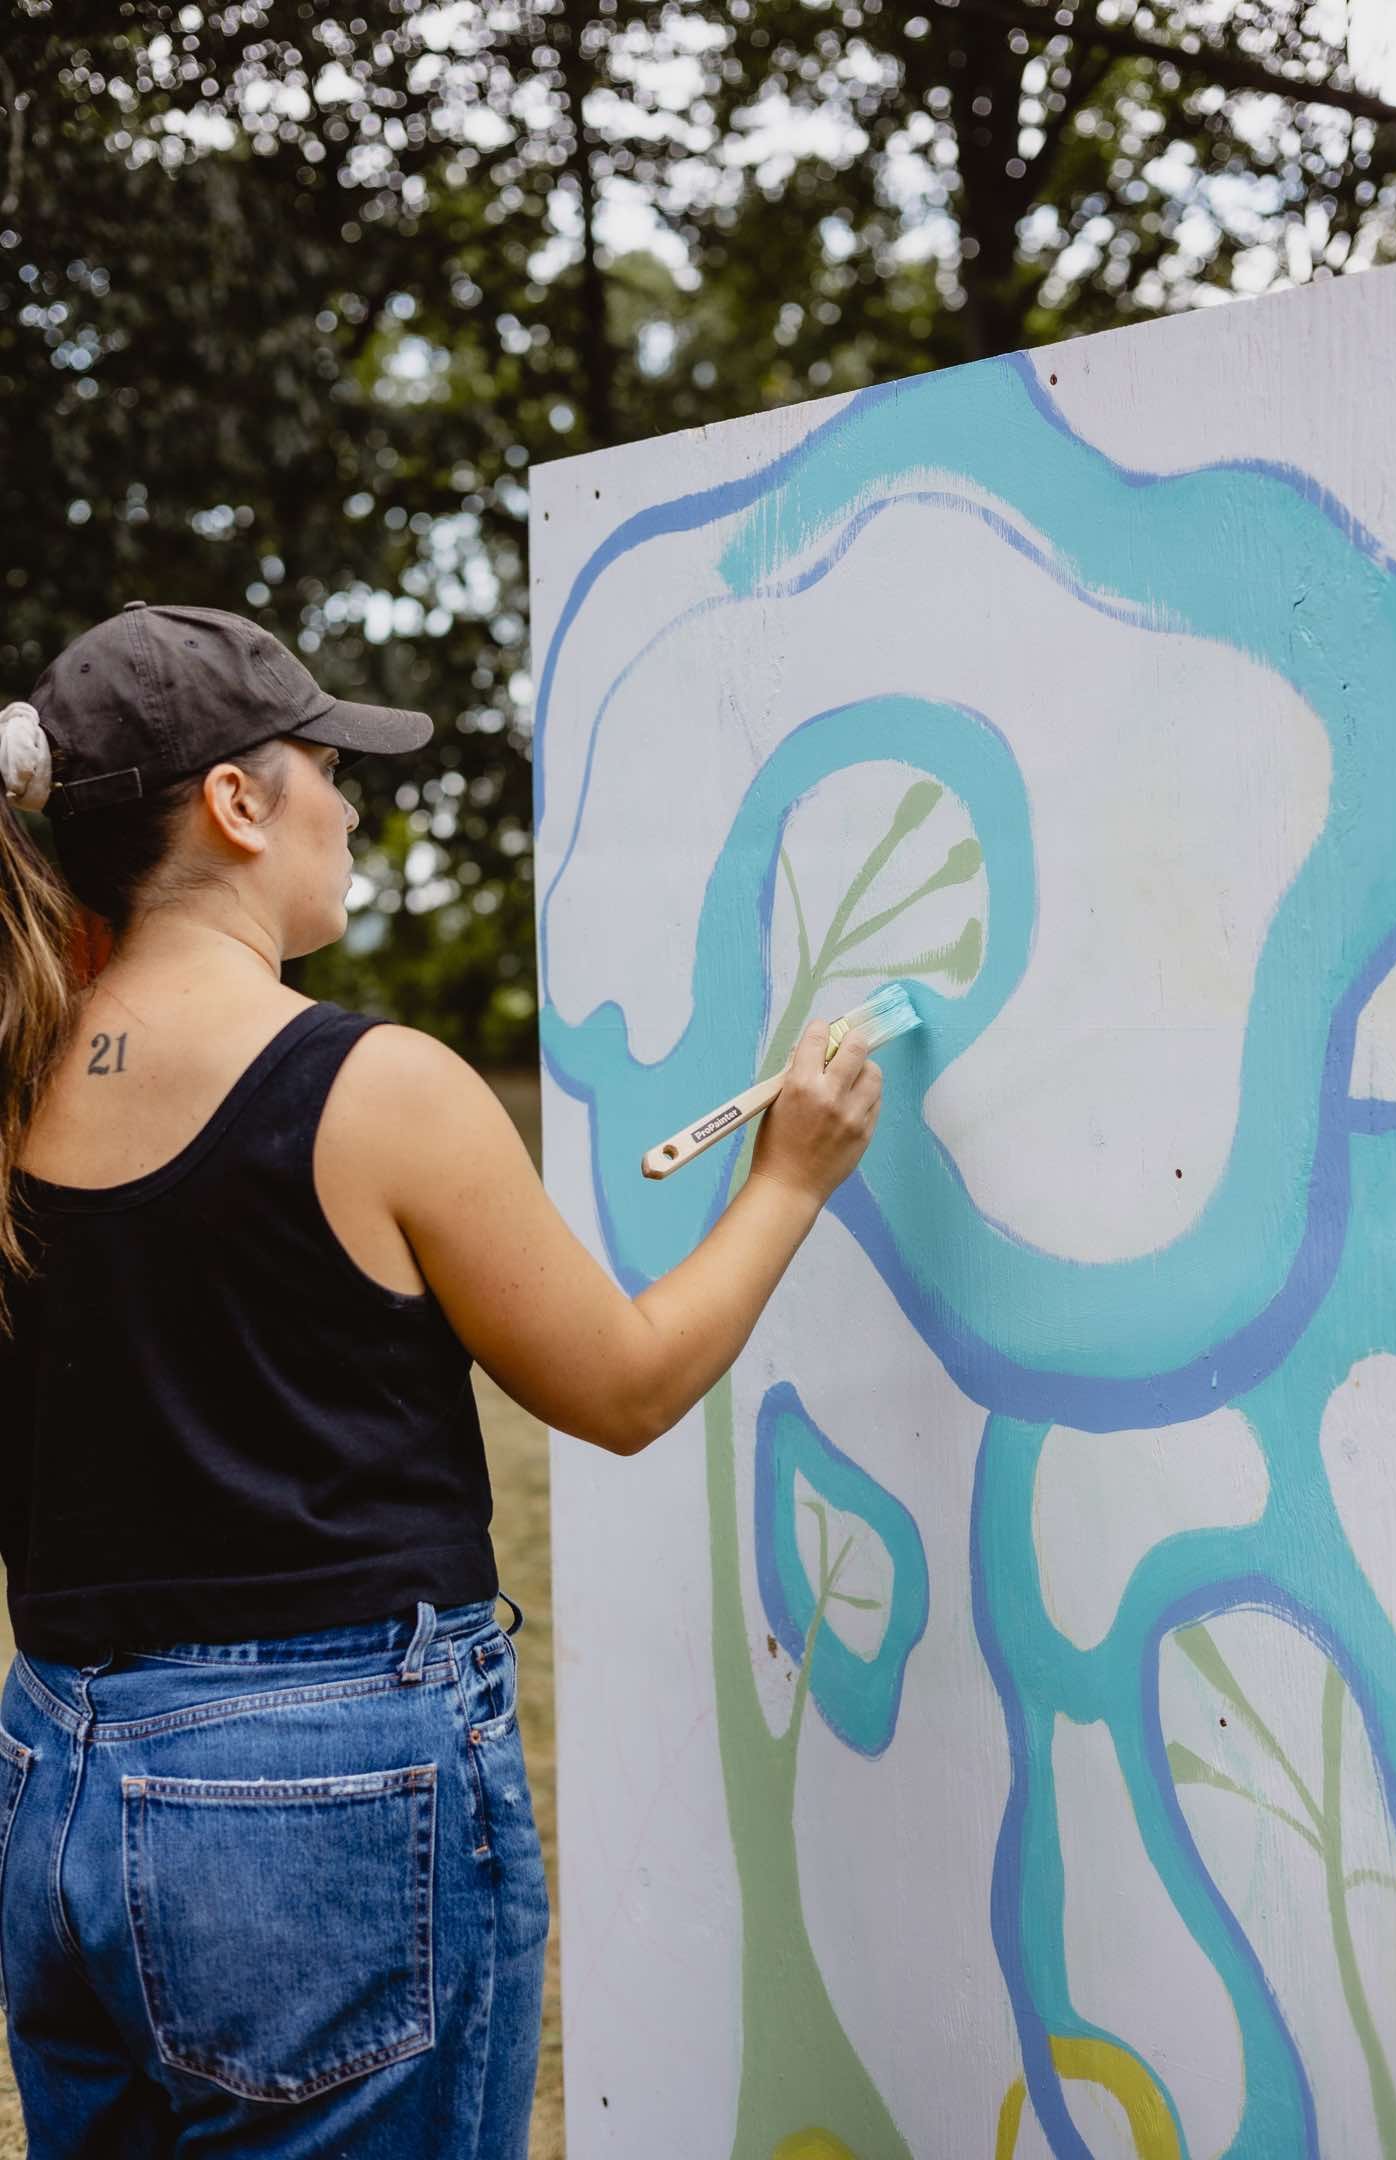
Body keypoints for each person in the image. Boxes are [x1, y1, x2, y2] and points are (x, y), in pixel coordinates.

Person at [0, 601, 883, 2157]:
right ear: (235, 802)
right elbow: (622, 1389)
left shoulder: (14, 1089)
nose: (351, 801)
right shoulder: (379, 1086)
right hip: (318, 1803)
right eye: (324, 761)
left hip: (54, 1771)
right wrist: (790, 1184)